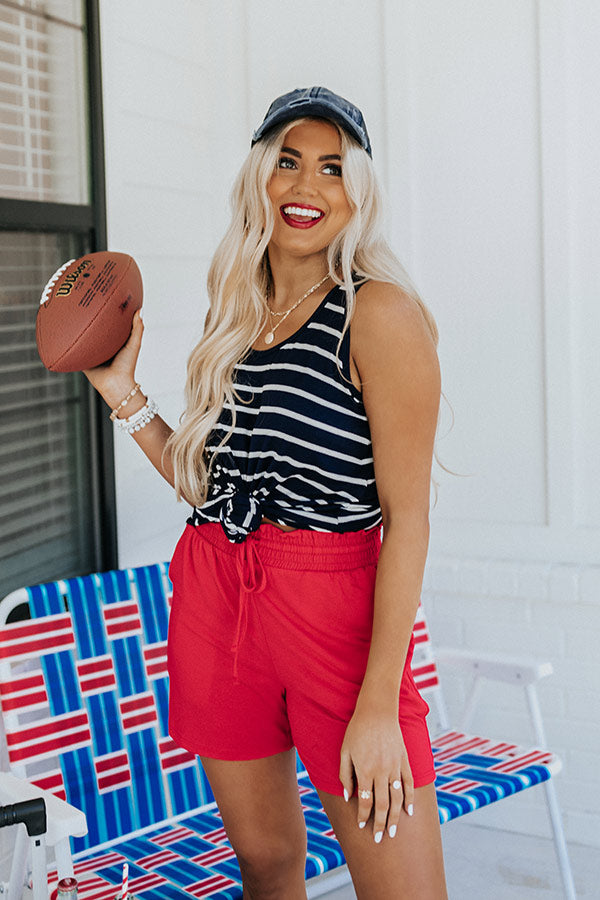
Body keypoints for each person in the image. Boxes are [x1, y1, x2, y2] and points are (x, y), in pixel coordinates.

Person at [84, 86, 448, 899]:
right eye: (288, 162)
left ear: (359, 191)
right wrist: (125, 395)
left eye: (331, 167)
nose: (306, 187)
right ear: (260, 176)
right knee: (268, 864)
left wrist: (380, 704)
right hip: (217, 595)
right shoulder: (240, 312)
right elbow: (216, 491)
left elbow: (410, 519)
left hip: (333, 610)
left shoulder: (378, 313)